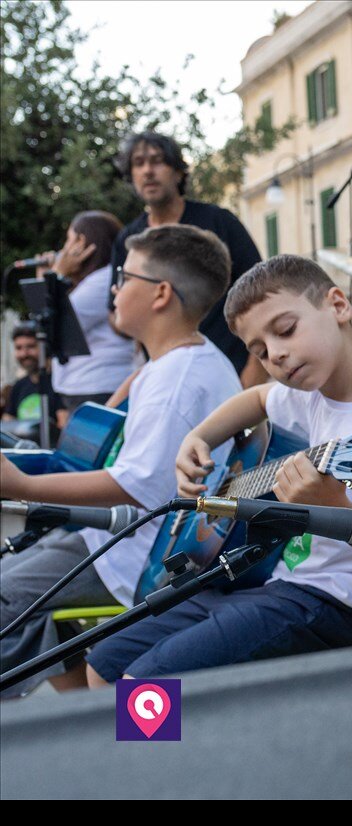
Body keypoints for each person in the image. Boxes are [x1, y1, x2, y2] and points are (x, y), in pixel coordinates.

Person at [83, 255, 352, 688]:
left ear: (337, 305)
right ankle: (159, 753)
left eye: (285, 330)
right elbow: (259, 399)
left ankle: (167, 753)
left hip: (339, 606)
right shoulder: (310, 397)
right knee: (104, 664)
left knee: (143, 689)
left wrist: (336, 509)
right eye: (260, 351)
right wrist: (200, 439)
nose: (277, 354)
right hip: (274, 586)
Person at [0, 225, 242, 698]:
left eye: (123, 277)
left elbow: (137, 486)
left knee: (10, 601)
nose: (113, 288)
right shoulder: (168, 366)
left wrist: (21, 486)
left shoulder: (178, 380)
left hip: (136, 557)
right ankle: (82, 727)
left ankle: (64, 736)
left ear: (160, 294)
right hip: (118, 541)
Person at [110, 131, 267, 388]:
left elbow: (262, 292)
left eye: (158, 160)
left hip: (233, 374)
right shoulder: (128, 238)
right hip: (168, 378)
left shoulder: (219, 222)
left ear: (179, 171)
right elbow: (113, 312)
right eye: (139, 163)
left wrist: (254, 373)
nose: (148, 170)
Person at [36, 211, 138, 414]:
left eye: (69, 239)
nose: (64, 248)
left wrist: (57, 274)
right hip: (84, 386)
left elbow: (52, 323)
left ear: (81, 242)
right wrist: (49, 279)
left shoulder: (102, 280)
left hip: (98, 386)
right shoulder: (88, 282)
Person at [2, 323, 65, 431]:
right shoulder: (19, 385)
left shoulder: (60, 383)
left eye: (30, 347)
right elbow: (8, 421)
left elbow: (64, 424)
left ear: (45, 348)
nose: (24, 354)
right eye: (18, 348)